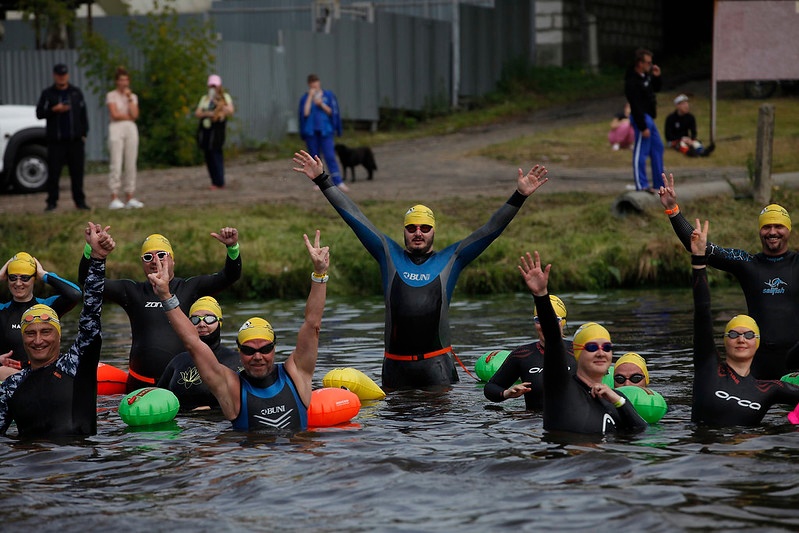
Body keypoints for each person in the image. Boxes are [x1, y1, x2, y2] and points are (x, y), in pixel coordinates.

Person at [292, 150, 549, 391]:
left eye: (425, 228)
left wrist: (520, 195)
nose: (418, 233)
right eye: (412, 228)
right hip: (395, 368)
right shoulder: (387, 253)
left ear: (433, 231)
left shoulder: (453, 258)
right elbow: (354, 216)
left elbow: (491, 228)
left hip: (436, 367)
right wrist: (322, 179)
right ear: (404, 231)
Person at [150, 230, 329, 432]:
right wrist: (166, 296)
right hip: (249, 461)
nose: (258, 356)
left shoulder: (297, 374)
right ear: (239, 352)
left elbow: (312, 324)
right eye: (249, 350)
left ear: (274, 348)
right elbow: (193, 343)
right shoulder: (232, 388)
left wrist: (319, 275)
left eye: (265, 348)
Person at [659, 173, 799, 379]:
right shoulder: (748, 264)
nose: (772, 232)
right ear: (760, 230)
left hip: (795, 363)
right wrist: (673, 209)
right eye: (766, 226)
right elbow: (701, 247)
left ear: (788, 230)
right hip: (757, 363)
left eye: (778, 226)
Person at [78, 227, 242, 392]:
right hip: (139, 384)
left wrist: (232, 248)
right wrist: (92, 251)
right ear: (142, 263)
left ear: (172, 260)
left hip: (178, 382)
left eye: (162, 255)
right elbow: (88, 281)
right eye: (148, 257)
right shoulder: (132, 291)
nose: (155, 260)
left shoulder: (189, 288)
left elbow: (229, 276)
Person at [0, 222, 114, 438]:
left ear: (59, 335)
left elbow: (91, 311)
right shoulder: (12, 385)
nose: (38, 340)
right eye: (30, 333)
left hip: (77, 467)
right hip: (29, 468)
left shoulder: (75, 364)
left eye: (46, 331)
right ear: (23, 339)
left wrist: (97, 260)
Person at [520, 251, 647, 434]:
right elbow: (554, 341)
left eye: (607, 347)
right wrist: (541, 296)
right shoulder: (563, 389)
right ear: (578, 352)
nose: (601, 352)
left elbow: (640, 432)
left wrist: (618, 401)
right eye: (592, 347)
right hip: (568, 462)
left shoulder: (612, 396)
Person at [689, 218, 799, 426]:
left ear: (757, 342)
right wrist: (698, 261)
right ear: (724, 341)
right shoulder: (708, 368)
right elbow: (702, 312)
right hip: (708, 454)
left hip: (748, 452)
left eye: (748, 335)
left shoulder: (769, 389)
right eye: (733, 334)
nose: (741, 339)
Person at [483, 295, 575, 410]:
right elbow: (490, 387)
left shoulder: (577, 352)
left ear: (563, 322)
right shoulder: (523, 355)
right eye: (539, 319)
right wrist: (508, 393)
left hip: (570, 424)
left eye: (553, 319)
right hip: (532, 424)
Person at [0, 252, 82, 377]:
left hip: (43, 375)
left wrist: (45, 275)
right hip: (8, 377)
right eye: (12, 277)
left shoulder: (47, 307)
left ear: (34, 278)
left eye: (24, 278)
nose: (18, 283)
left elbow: (74, 294)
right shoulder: (2, 310)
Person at [156, 296, 241, 411]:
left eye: (209, 319)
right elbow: (158, 396)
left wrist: (213, 409)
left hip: (219, 425)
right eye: (195, 320)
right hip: (184, 425)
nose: (202, 324)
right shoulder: (178, 361)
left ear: (220, 322)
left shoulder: (236, 360)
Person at [36, 63, 90, 212]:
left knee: (77, 173)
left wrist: (84, 133)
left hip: (75, 141)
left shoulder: (75, 92)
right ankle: (51, 202)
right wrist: (54, 109)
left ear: (68, 75)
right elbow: (39, 113)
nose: (62, 77)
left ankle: (80, 202)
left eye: (64, 75)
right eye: (59, 75)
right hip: (56, 141)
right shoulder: (48, 93)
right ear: (55, 76)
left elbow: (83, 115)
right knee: (54, 173)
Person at [624, 48, 664, 193]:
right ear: (639, 63)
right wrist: (642, 126)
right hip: (641, 118)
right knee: (641, 151)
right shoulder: (632, 81)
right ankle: (641, 185)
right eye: (647, 62)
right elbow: (634, 105)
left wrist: (657, 77)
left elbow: (656, 89)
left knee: (658, 148)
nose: (650, 65)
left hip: (650, 117)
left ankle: (659, 184)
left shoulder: (645, 77)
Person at [298, 74, 347, 191]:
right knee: (315, 158)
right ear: (309, 84)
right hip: (311, 131)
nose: (314, 84)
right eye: (311, 82)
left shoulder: (328, 95)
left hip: (326, 130)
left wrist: (321, 104)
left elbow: (333, 112)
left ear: (319, 82)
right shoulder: (305, 98)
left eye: (315, 82)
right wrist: (310, 98)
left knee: (330, 156)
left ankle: (338, 181)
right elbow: (304, 113)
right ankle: (319, 182)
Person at [106, 66, 142, 209]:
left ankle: (130, 195)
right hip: (116, 127)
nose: (124, 83)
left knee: (131, 162)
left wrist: (129, 98)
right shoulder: (111, 95)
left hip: (130, 127)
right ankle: (114, 196)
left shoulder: (132, 97)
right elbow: (114, 114)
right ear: (117, 82)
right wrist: (128, 116)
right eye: (121, 80)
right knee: (116, 161)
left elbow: (135, 114)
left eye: (126, 80)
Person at [195, 74, 235, 190]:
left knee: (216, 152)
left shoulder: (224, 97)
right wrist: (208, 113)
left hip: (218, 129)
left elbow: (230, 110)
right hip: (206, 127)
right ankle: (214, 180)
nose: (213, 88)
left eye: (215, 86)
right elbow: (197, 113)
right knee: (208, 154)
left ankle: (220, 181)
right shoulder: (205, 99)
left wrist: (220, 106)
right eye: (211, 85)